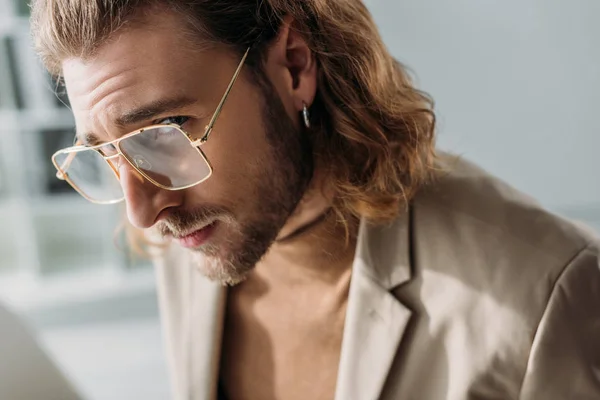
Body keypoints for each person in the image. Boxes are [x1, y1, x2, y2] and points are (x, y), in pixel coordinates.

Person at [30, 1, 599, 399]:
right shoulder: (190, 230)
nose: (143, 213)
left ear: (294, 64)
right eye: (107, 153)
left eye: (163, 132)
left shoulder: (548, 293)